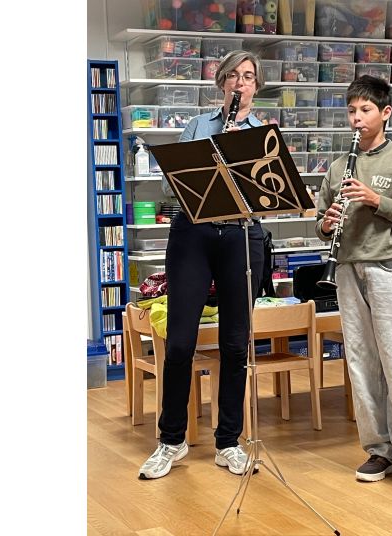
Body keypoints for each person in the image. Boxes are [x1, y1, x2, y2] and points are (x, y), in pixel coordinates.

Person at [140, 50, 267, 480]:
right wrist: (214, 153)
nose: (240, 82)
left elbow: (269, 193)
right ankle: (171, 440)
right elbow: (169, 185)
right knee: (179, 342)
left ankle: (228, 441)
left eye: (248, 76)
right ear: (222, 83)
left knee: (235, 344)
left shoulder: (263, 133)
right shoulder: (197, 126)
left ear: (256, 85)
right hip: (193, 233)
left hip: (241, 236)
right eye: (233, 75)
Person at [314, 75, 392, 491]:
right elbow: (319, 223)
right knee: (361, 363)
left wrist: (376, 200)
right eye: (351, 110)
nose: (357, 118)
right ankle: (379, 447)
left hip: (387, 268)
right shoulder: (337, 167)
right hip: (347, 269)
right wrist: (326, 222)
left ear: (385, 113)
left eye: (365, 110)